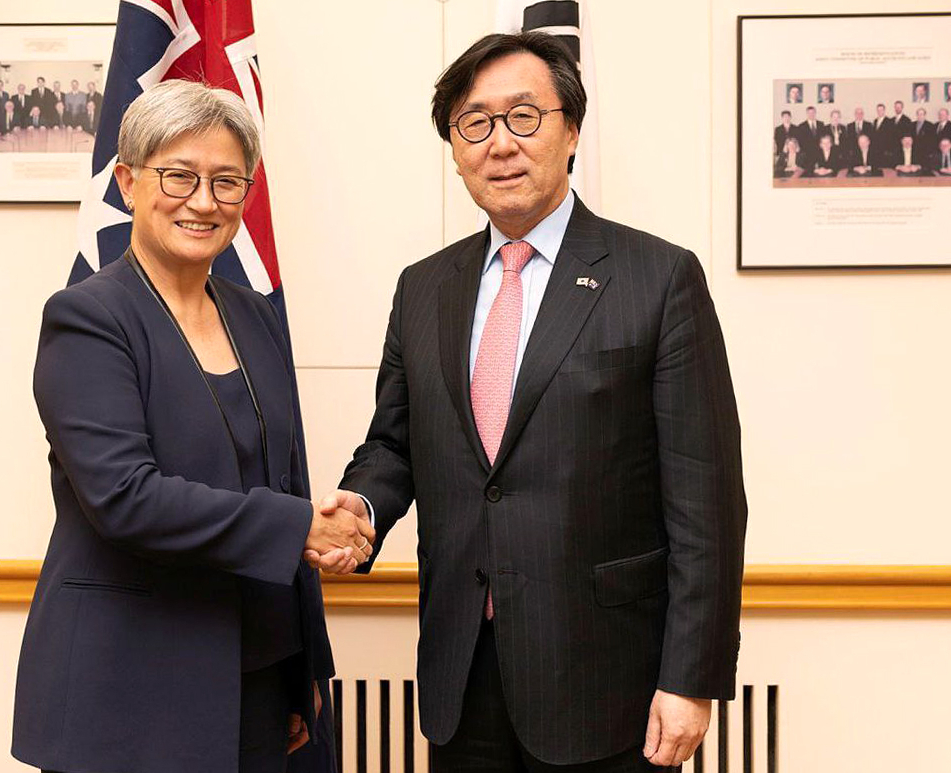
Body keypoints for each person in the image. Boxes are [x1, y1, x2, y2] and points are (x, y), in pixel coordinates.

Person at [310, 32, 747, 772]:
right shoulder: (423, 287)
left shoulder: (657, 278)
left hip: (608, 683)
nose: (499, 144)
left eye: (523, 117)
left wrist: (690, 677)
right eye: (473, 124)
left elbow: (706, 500)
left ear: (571, 129)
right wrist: (362, 506)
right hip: (460, 670)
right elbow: (393, 442)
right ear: (454, 147)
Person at [12, 79, 365, 773]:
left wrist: (304, 672)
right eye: (178, 175)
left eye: (226, 182)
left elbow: (285, 479)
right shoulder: (88, 318)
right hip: (132, 687)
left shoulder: (255, 315)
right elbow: (125, 497)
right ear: (126, 181)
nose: (203, 201)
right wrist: (298, 527)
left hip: (260, 679)